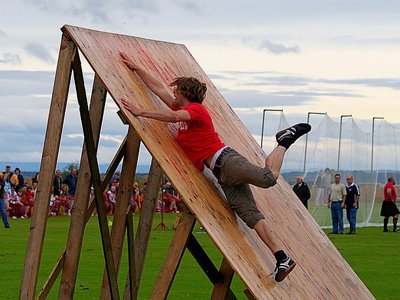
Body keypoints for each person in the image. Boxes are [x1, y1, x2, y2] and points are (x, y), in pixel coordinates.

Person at [119, 51, 311, 282]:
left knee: (268, 178)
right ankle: (282, 258)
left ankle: (284, 141)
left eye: (176, 91)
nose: (172, 93)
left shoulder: (196, 110)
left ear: (185, 94)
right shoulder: (183, 110)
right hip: (222, 174)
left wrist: (141, 112)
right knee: (250, 215)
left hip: (227, 160)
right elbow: (158, 88)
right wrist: (137, 68)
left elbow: (173, 117)